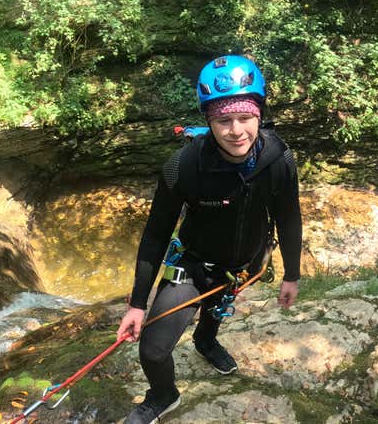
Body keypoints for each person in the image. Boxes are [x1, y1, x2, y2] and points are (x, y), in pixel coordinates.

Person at [117, 55, 303, 424]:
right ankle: (164, 394)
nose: (237, 130)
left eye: (245, 118)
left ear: (259, 115)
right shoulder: (182, 167)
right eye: (223, 120)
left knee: (217, 310)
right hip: (193, 263)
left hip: (245, 263)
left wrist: (291, 275)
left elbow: (289, 217)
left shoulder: (279, 160)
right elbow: (155, 235)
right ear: (209, 121)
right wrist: (138, 304)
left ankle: (206, 342)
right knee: (153, 351)